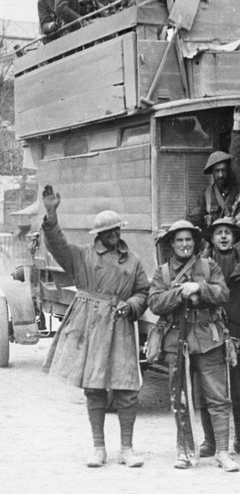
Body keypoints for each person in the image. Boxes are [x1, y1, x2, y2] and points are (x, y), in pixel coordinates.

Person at [41, 185, 149, 468]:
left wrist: (133, 305)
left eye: (117, 230)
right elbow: (57, 246)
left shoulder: (134, 261)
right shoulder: (83, 256)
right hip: (92, 327)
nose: (114, 236)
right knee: (94, 388)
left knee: (127, 388)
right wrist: (51, 214)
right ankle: (98, 448)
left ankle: (127, 448)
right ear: (98, 235)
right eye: (109, 232)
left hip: (121, 326)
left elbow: (144, 292)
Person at [148, 220, 238, 472]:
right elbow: (154, 302)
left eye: (189, 240)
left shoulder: (209, 266)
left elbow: (223, 294)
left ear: (195, 242)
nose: (185, 244)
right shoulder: (163, 273)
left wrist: (199, 287)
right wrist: (180, 293)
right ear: (172, 244)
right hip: (177, 342)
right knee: (180, 398)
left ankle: (222, 451)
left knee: (219, 398)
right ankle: (185, 450)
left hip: (209, 341)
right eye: (179, 240)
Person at [200, 217, 240, 458]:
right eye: (219, 233)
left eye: (228, 233)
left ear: (235, 238)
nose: (224, 237)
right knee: (210, 387)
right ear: (212, 238)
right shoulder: (202, 265)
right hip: (210, 332)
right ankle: (210, 441)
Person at [188, 151, 238, 230]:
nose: (220, 175)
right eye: (217, 171)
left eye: (223, 170)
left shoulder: (238, 191)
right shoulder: (206, 194)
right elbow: (195, 217)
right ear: (212, 173)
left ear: (228, 170)